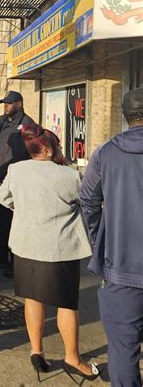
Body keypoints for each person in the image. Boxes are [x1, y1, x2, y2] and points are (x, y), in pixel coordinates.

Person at [0, 124, 100, 382]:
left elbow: (4, 198)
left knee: (33, 299)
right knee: (66, 304)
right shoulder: (68, 176)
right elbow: (87, 201)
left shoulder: (16, 170)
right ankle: (72, 358)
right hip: (59, 249)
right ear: (46, 148)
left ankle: (36, 350)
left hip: (25, 246)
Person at [80, 88, 143, 387]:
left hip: (122, 270)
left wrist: (100, 244)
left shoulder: (106, 152)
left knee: (123, 354)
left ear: (125, 116)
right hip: (121, 269)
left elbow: (88, 201)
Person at [0, 90, 34, 270]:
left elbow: (31, 152)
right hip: (1, 178)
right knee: (1, 218)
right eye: (4, 103)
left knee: (17, 220)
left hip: (19, 180)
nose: (5, 106)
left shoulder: (27, 124)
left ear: (19, 104)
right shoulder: (1, 122)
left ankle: (15, 260)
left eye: (9, 103)